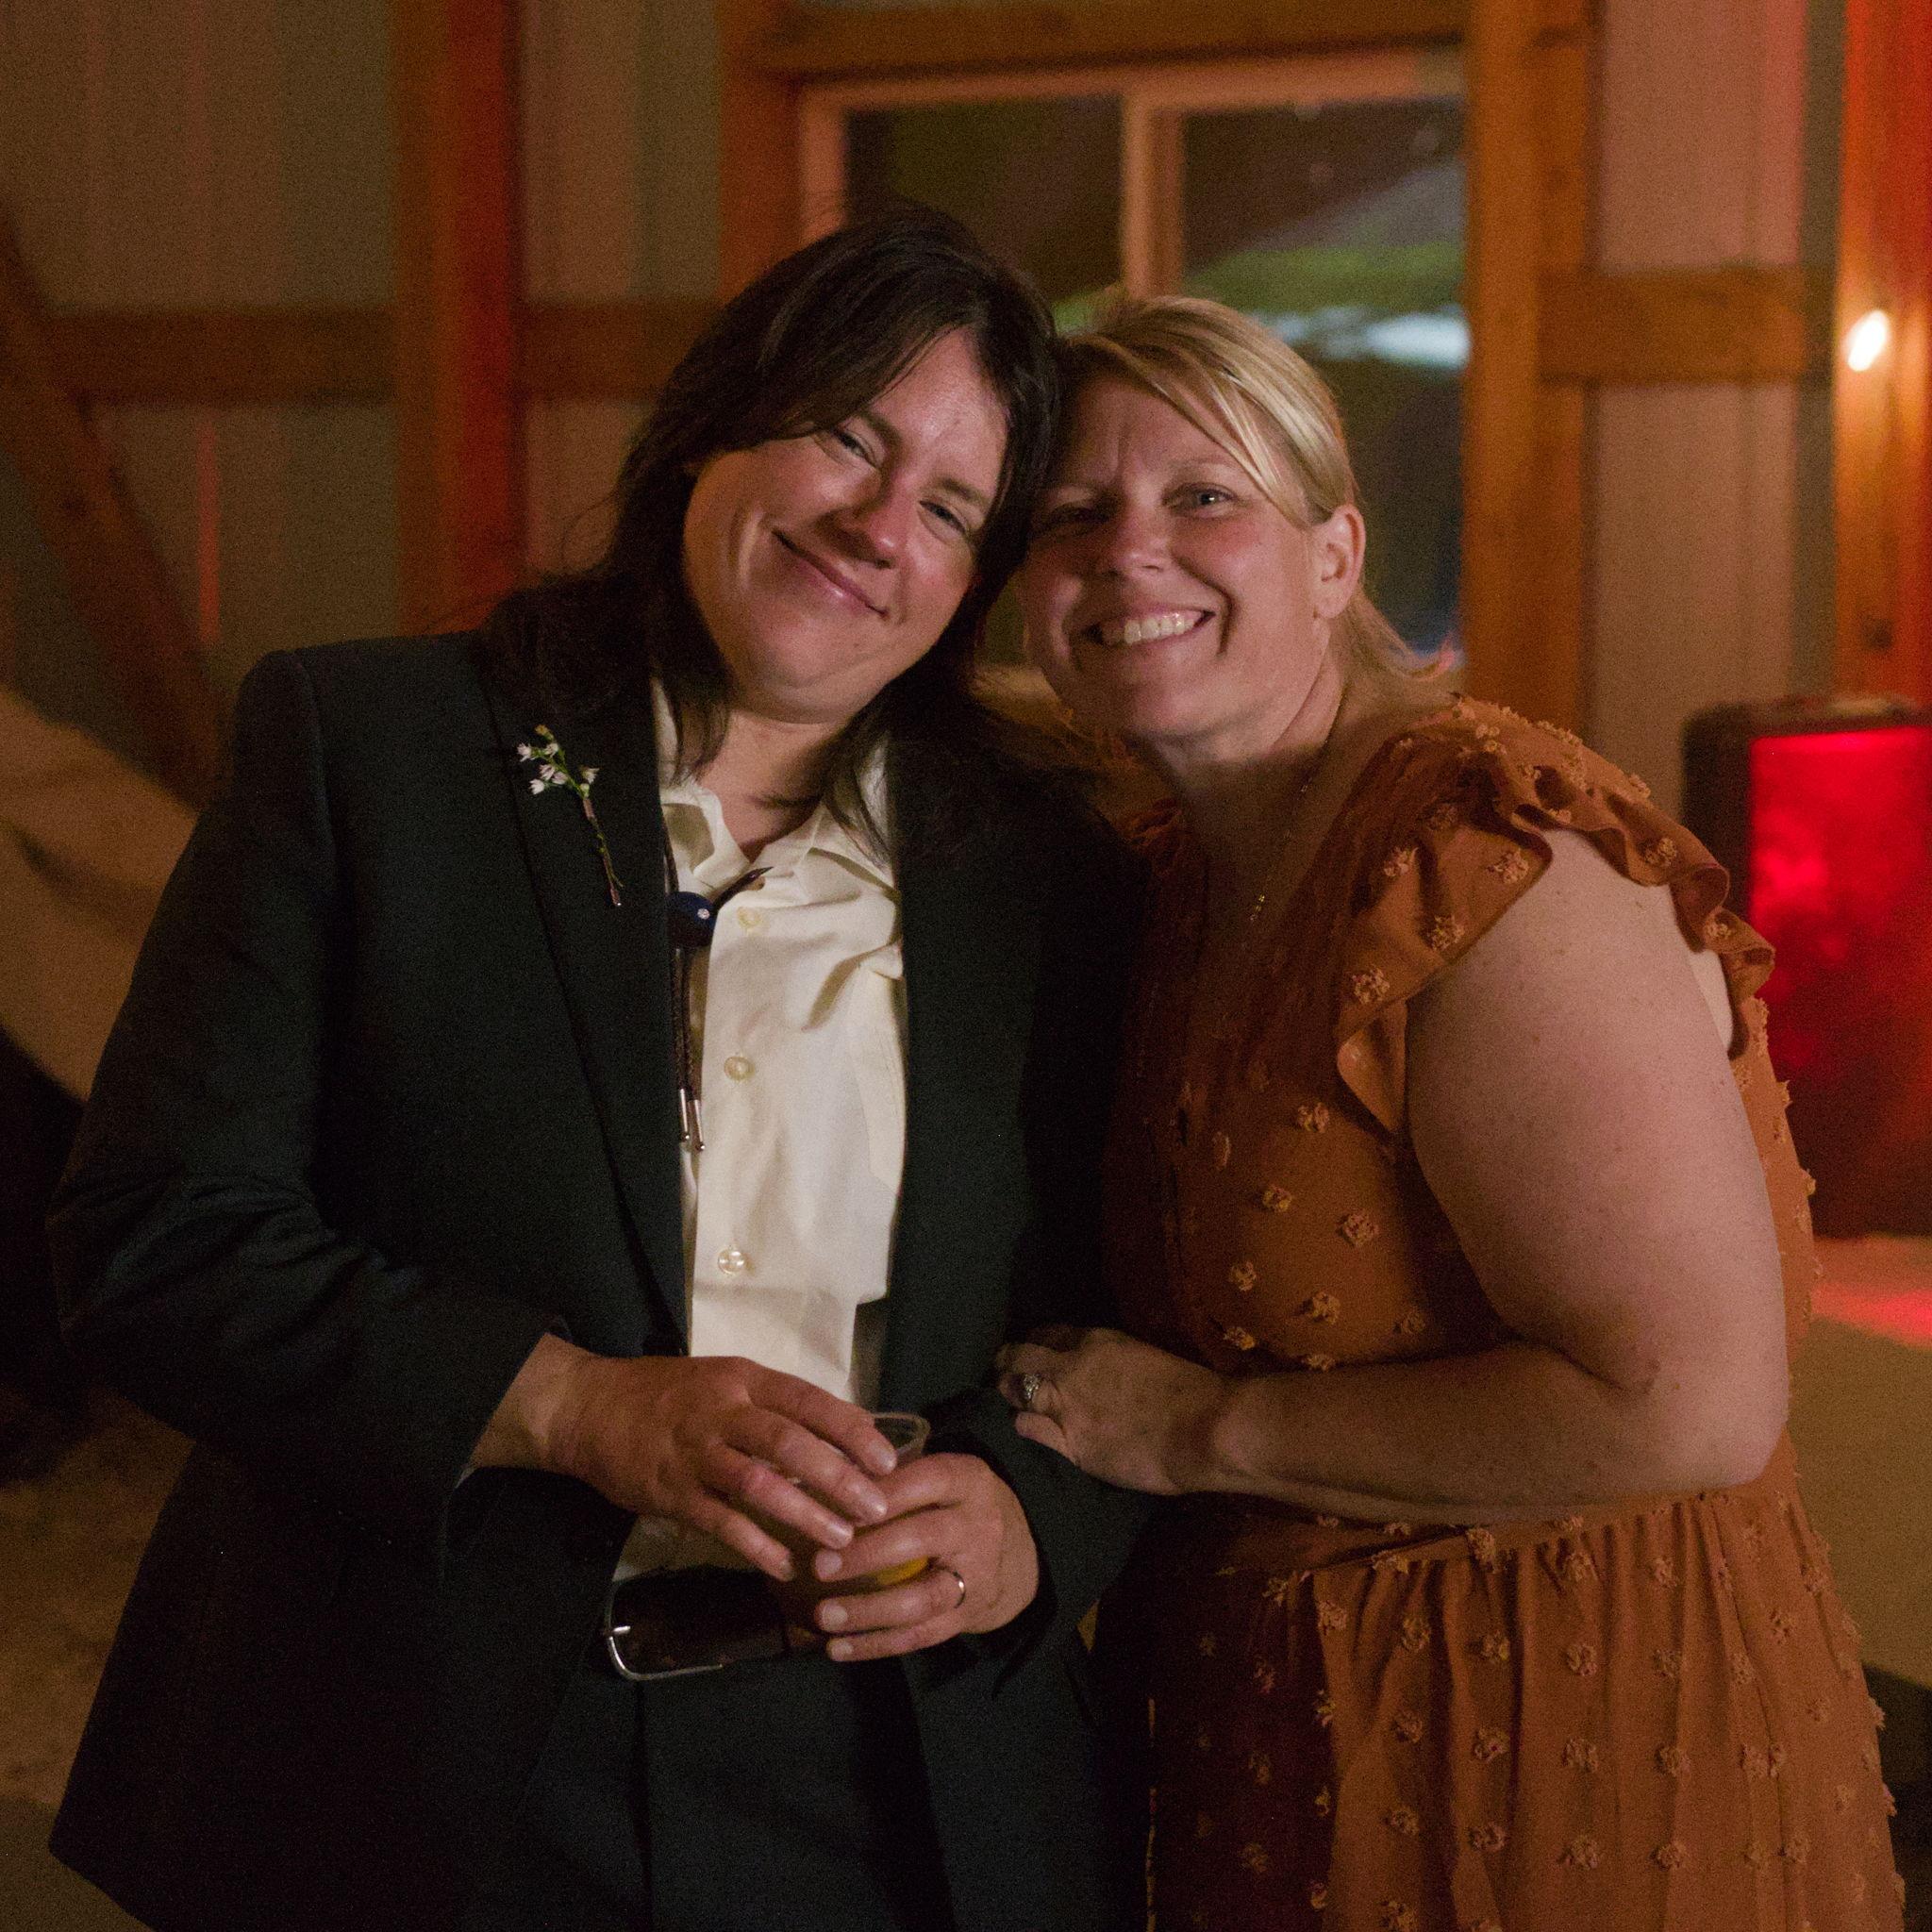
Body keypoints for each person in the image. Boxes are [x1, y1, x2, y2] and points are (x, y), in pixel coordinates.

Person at [48, 208, 1148, 1932]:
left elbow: (1124, 1305)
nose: (879, 526)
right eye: (848, 437)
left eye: (950, 509)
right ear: (716, 421)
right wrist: (572, 1405)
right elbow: (152, 1240)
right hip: (419, 1761)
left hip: (885, 1785)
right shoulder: (374, 752)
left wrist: (1027, 1520)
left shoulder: (1047, 877)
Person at [999, 295, 1905, 1931]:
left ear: (1334, 556)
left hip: (1574, 1763)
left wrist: (1199, 1433)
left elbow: (1682, 1408)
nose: (1129, 550)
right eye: (1072, 513)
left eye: (1203, 495)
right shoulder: (1171, 873)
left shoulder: (1484, 850)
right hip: (1279, 1761)